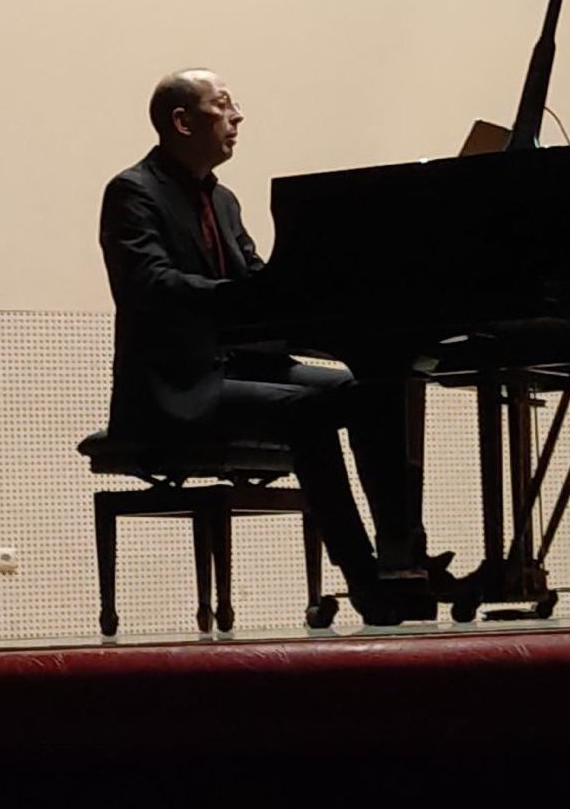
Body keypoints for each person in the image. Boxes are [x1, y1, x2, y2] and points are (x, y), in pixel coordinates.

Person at [99, 67, 451, 625]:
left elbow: (259, 281)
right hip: (177, 384)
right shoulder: (132, 192)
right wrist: (242, 295)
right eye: (223, 105)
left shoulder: (225, 201)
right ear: (183, 122)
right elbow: (151, 285)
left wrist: (318, 300)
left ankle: (400, 558)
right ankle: (363, 578)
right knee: (306, 409)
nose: (237, 116)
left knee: (372, 388)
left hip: (241, 367)